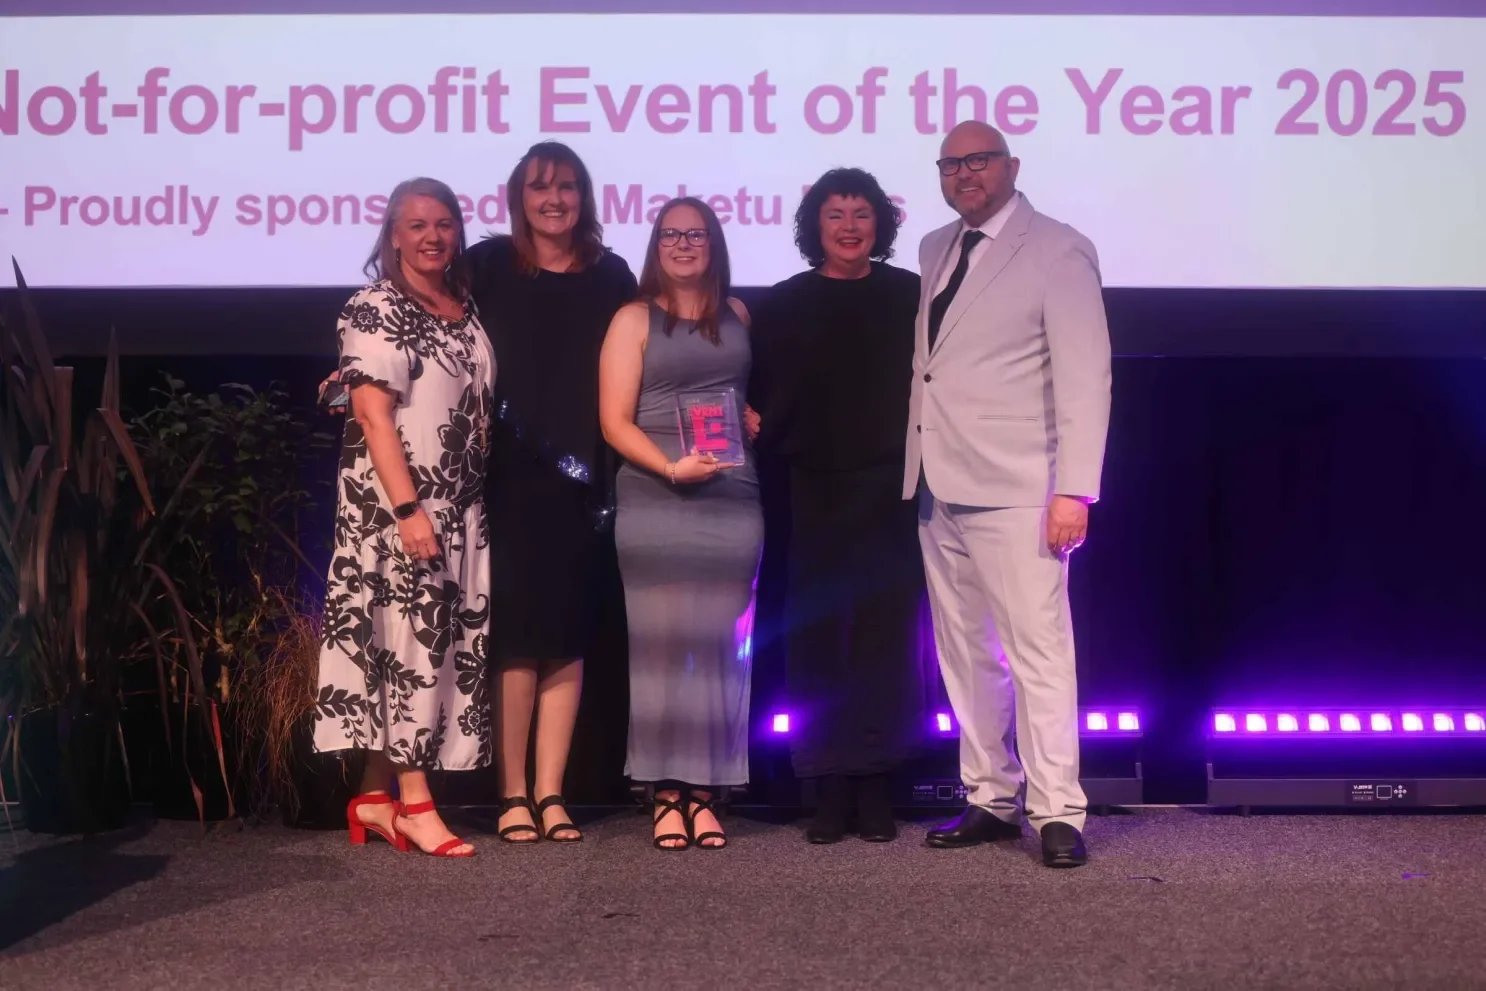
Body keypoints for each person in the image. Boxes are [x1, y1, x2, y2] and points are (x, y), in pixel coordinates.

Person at [905, 121, 1112, 868]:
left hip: (1024, 486)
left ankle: (1059, 809)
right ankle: (990, 794)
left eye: (979, 160)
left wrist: (1076, 490)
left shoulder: (1058, 247)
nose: (965, 173)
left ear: (1012, 166)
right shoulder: (934, 247)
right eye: (952, 163)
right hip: (939, 480)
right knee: (964, 654)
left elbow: (1086, 375)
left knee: (1038, 651)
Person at [315, 177, 495, 859]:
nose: (432, 236)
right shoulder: (376, 306)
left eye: (445, 223)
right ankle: (416, 804)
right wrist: (409, 510)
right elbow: (371, 413)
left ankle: (371, 794)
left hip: (459, 506)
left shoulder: (462, 305)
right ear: (392, 234)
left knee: (432, 650)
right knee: (409, 652)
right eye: (416, 224)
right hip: (403, 508)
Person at [463, 141, 638, 844]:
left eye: (566, 186)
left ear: (584, 195)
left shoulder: (613, 274)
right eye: (540, 187)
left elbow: (654, 347)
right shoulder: (488, 265)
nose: (554, 199)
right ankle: (510, 794)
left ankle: (552, 791)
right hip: (505, 476)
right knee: (516, 639)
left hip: (587, 479)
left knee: (567, 637)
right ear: (519, 197)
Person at [750, 168, 928, 844]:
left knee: (884, 638)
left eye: (861, 213)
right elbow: (750, 390)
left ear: (881, 223)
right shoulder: (784, 303)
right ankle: (825, 782)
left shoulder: (912, 296)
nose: (850, 226)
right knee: (818, 640)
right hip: (809, 489)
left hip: (890, 487)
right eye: (835, 214)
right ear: (814, 227)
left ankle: (876, 782)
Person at [598, 197, 763, 850]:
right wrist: (671, 468)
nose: (685, 244)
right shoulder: (632, 317)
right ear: (655, 244)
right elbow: (614, 421)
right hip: (656, 497)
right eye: (672, 234)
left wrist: (748, 420)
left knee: (723, 652)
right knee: (661, 651)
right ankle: (665, 791)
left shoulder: (739, 315)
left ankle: (707, 790)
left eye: (697, 234)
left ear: (715, 243)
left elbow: (734, 400)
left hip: (733, 499)